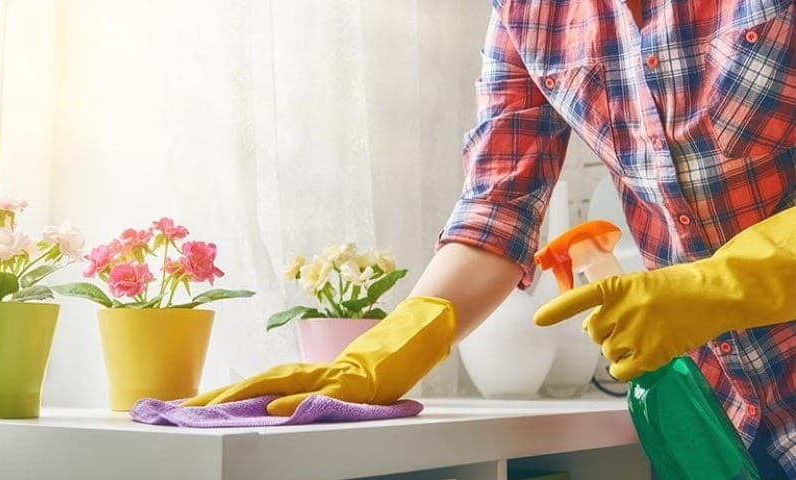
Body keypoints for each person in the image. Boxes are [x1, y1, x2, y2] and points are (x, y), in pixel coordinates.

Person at [184, 0, 795, 476]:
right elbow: (499, 205)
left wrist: (722, 285)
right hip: (717, 425)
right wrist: (382, 353)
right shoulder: (528, 12)